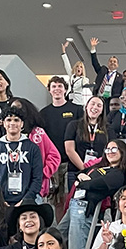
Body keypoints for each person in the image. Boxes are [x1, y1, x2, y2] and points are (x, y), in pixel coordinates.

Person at [63, 139, 126, 249]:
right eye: (107, 149)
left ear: (122, 152)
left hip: (84, 209)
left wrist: (84, 182)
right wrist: (83, 180)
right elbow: (79, 174)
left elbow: (94, 184)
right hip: (74, 204)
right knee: (56, 237)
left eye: (114, 149)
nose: (109, 152)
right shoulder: (100, 166)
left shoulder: (117, 173)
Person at [0, 106, 45, 209]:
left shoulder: (33, 148)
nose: (12, 123)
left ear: (22, 124)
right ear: (4, 123)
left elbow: (37, 178)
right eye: (8, 120)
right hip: (1, 203)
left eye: (16, 120)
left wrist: (25, 200)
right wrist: (0, 199)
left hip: (27, 201)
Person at [40, 76, 84, 217]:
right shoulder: (43, 113)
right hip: (52, 163)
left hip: (72, 162)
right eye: (54, 86)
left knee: (71, 198)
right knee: (55, 200)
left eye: (60, 86)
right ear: (49, 90)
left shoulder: (77, 110)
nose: (57, 89)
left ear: (66, 89)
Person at [10, 97, 61, 202]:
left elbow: (55, 156)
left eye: (19, 108)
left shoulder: (37, 133)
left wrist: (43, 173)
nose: (15, 111)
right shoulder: (7, 135)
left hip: (35, 189)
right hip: (12, 189)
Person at [64, 96, 108, 192]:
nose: (95, 107)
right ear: (86, 106)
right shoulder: (74, 125)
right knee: (74, 204)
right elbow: (69, 150)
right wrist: (84, 169)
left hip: (98, 173)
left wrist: (93, 170)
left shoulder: (108, 129)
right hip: (75, 172)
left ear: (102, 110)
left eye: (99, 105)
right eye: (92, 104)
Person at [61, 41, 89, 106]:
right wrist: (63, 51)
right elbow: (67, 64)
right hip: (69, 99)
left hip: (78, 101)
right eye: (77, 66)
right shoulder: (72, 76)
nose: (79, 68)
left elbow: (86, 84)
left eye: (81, 67)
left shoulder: (84, 79)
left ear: (82, 70)